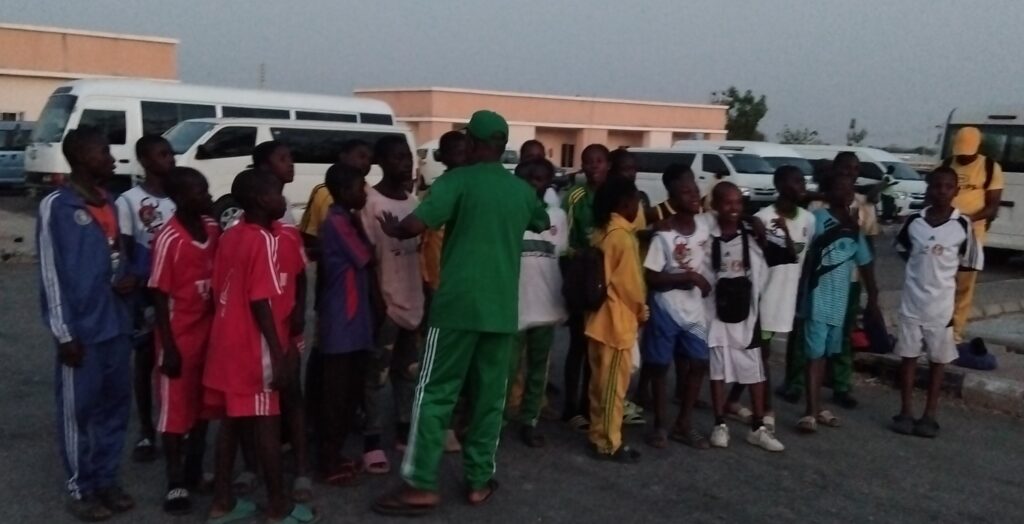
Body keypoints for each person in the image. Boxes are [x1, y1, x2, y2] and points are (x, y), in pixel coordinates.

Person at [372, 110, 549, 516]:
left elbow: (415, 225)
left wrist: (394, 229)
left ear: (472, 142)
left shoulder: (456, 181)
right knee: (489, 398)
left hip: (456, 308)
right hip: (501, 311)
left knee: (435, 393)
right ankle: (478, 481)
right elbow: (540, 220)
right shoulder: (521, 190)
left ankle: (420, 484)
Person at [203, 169, 317, 524]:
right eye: (275, 193)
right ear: (259, 200)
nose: (282, 198)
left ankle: (222, 502)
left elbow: (220, 288)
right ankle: (277, 506)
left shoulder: (230, 235)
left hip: (227, 340)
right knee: (268, 421)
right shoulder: (263, 240)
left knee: (232, 423)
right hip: (255, 344)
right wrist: (278, 353)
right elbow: (260, 300)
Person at [40, 128, 136, 521]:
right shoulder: (58, 206)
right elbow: (51, 272)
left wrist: (125, 280)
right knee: (77, 412)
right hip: (81, 331)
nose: (111, 159)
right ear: (80, 156)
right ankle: (80, 487)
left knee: (115, 408)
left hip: (116, 325)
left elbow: (115, 256)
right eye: (103, 152)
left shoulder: (109, 201)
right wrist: (64, 333)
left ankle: (106, 479)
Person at [779, 152, 879, 408]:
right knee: (804, 335)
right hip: (816, 283)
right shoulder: (816, 207)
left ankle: (840, 384)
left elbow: (868, 248)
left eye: (855, 169)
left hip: (849, 281)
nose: (850, 173)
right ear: (834, 170)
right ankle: (796, 383)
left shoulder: (865, 205)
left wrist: (871, 291)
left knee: (843, 334)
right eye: (845, 168)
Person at [148, 167, 219, 515]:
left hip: (209, 334)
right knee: (175, 411)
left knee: (204, 406)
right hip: (179, 336)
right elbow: (159, 294)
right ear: (179, 198)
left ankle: (194, 468)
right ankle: (174, 481)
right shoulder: (169, 239)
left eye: (206, 190)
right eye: (199, 192)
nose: (207, 196)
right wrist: (169, 347)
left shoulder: (212, 229)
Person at [892, 167, 983, 438]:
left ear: (956, 191)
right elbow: (903, 249)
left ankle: (929, 415)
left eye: (947, 187)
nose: (941, 191)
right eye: (936, 186)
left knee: (937, 361)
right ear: (929, 189)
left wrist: (942, 278)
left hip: (940, 308)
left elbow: (969, 262)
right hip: (912, 303)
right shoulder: (914, 222)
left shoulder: (962, 225)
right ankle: (905, 411)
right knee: (908, 357)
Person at [726, 166, 814, 430]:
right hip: (764, 297)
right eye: (796, 182)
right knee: (760, 353)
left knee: (757, 353)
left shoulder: (808, 219)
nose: (801, 187)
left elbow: (803, 259)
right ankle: (766, 410)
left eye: (803, 182)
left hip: (786, 297)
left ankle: (732, 400)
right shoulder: (762, 219)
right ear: (780, 185)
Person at [359, 135, 424, 471]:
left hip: (414, 301)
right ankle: (371, 438)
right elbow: (367, 259)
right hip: (386, 302)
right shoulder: (370, 203)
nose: (405, 164)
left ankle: (403, 427)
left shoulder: (414, 203)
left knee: (407, 371)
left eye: (408, 157)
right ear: (381, 162)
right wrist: (376, 302)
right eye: (397, 157)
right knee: (375, 374)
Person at [797, 173, 880, 433]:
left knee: (825, 354)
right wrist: (800, 294)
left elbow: (865, 262)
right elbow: (805, 257)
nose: (845, 193)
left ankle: (817, 406)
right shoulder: (818, 219)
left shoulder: (854, 226)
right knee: (814, 354)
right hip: (818, 297)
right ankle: (810, 412)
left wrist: (873, 297)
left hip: (839, 300)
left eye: (849, 188)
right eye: (839, 188)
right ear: (828, 193)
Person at [702, 182, 782, 451]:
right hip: (715, 313)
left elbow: (771, 263)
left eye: (738, 202)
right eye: (727, 202)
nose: (733, 207)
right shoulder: (706, 232)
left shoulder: (751, 235)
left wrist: (753, 223)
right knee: (717, 370)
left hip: (746, 314)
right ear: (715, 205)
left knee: (753, 369)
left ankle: (758, 426)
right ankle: (719, 423)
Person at [640, 168, 712, 449]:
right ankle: (660, 424)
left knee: (699, 363)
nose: (693, 196)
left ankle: (684, 423)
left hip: (693, 310)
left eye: (695, 191)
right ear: (672, 198)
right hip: (666, 308)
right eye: (685, 192)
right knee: (660, 367)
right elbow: (652, 277)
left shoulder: (704, 228)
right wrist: (688, 277)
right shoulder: (664, 235)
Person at [115, 134, 176, 464]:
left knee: (175, 357)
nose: (170, 159)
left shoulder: (181, 195)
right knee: (146, 358)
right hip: (145, 291)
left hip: (177, 291)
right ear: (144, 160)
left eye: (170, 153)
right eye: (162, 154)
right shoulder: (129, 201)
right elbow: (123, 247)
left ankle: (175, 424)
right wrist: (129, 278)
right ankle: (146, 430)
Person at [317, 163, 375, 487]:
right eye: (359, 187)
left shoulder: (345, 219)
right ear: (342, 192)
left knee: (349, 390)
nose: (364, 192)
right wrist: (363, 227)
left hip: (352, 319)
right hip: (342, 320)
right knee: (336, 395)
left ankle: (335, 454)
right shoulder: (338, 223)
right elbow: (366, 256)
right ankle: (327, 460)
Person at [584, 175, 648, 463]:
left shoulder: (601, 231)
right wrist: (641, 310)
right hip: (616, 323)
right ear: (625, 204)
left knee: (599, 385)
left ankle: (598, 434)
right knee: (613, 389)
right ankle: (610, 442)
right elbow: (630, 285)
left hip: (596, 319)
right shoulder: (623, 237)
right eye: (637, 202)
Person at [507, 158, 569, 448]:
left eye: (540, 178)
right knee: (505, 369)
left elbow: (561, 256)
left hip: (545, 303)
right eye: (527, 177)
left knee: (538, 368)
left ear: (548, 182)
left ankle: (529, 420)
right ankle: (496, 420)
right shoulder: (506, 212)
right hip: (512, 305)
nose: (533, 182)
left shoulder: (557, 216)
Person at [417, 130, 467, 454]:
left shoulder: (474, 191)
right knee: (441, 362)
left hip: (467, 287)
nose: (461, 156)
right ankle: (440, 426)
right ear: (442, 157)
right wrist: (427, 284)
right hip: (440, 288)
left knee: (465, 363)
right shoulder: (438, 192)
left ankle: (459, 422)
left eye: (465, 150)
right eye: (454, 151)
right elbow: (423, 243)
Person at [562, 143, 609, 432]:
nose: (593, 166)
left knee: (597, 346)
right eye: (588, 161)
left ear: (608, 165)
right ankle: (571, 407)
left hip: (608, 280)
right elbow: (564, 241)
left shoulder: (614, 196)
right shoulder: (574, 196)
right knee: (578, 344)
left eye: (599, 161)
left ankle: (589, 404)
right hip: (582, 278)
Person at [946, 127, 1004, 344]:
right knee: (942, 283)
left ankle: (955, 332)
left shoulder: (989, 167)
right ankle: (937, 326)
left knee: (964, 286)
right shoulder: (946, 164)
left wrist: (967, 219)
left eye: (967, 153)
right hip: (945, 232)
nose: (963, 157)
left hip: (972, 234)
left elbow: (993, 206)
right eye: (960, 152)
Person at [253, 140, 297, 224]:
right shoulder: (259, 207)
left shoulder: (284, 203)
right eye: (282, 159)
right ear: (264, 166)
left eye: (290, 158)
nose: (291, 164)